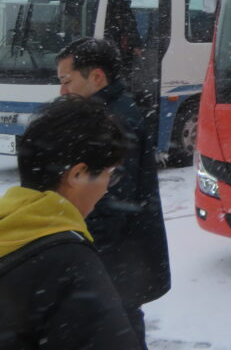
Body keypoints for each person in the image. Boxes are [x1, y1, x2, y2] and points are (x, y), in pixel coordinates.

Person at [56, 37, 170, 349]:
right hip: (123, 263)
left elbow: (112, 206)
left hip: (118, 262)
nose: (62, 91)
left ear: (96, 77)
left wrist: (86, 259)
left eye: (67, 81)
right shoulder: (110, 112)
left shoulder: (113, 123)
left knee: (119, 330)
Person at [0, 95, 140, 349]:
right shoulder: (70, 264)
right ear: (77, 174)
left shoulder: (9, 225)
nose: (107, 188)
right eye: (110, 174)